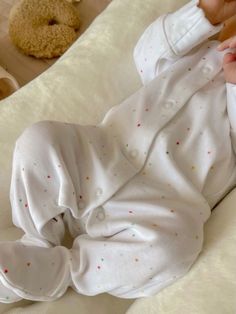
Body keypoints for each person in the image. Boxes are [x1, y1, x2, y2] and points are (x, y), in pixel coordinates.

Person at [0, 0, 236, 303]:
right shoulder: (196, 53)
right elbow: (147, 53)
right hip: (101, 156)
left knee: (173, 248)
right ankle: (36, 237)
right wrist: (204, 14)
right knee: (40, 139)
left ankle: (66, 268)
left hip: (161, 203)